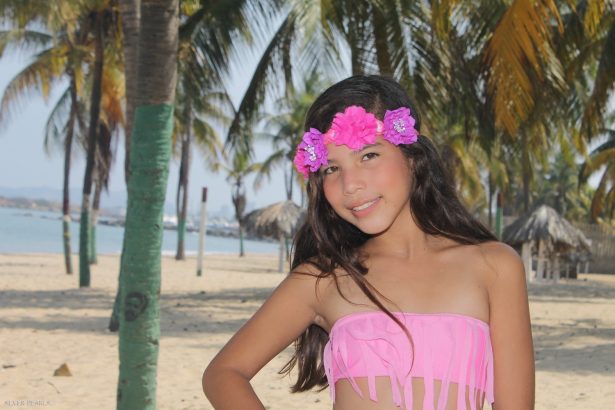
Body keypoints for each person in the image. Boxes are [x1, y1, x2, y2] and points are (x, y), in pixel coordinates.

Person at [202, 75, 535, 410]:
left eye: (369, 155)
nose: (350, 184)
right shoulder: (323, 279)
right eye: (332, 168)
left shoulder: (494, 267)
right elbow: (224, 373)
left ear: (412, 157)